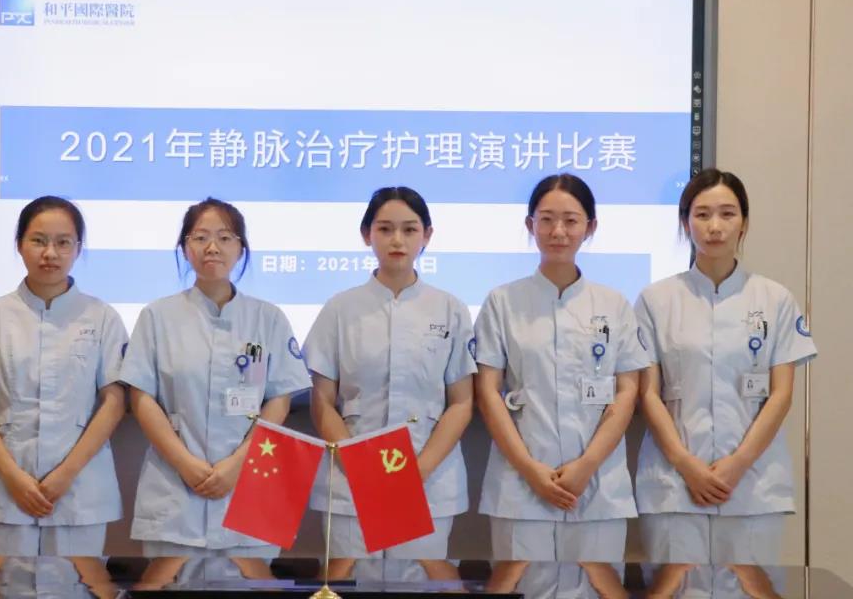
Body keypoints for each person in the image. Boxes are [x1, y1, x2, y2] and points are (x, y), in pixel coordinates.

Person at [635, 168, 817, 564]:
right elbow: (648, 393)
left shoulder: (775, 299)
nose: (714, 226)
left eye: (727, 214)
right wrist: (686, 464)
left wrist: (738, 464)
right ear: (685, 223)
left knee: (750, 588)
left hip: (753, 486)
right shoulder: (656, 300)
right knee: (676, 589)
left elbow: (781, 395)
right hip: (674, 484)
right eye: (702, 215)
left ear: (744, 223)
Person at [119, 198, 311, 559]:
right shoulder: (157, 316)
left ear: (241, 248)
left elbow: (279, 398)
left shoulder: (268, 318)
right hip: (174, 491)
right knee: (172, 583)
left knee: (251, 583)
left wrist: (237, 465)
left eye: (225, 237)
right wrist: (185, 464)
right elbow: (141, 397)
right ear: (185, 248)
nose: (212, 247)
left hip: (251, 484)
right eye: (200, 237)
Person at [474, 173, 647, 563]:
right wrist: (529, 469)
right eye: (547, 220)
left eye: (571, 221)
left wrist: (587, 465)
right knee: (521, 586)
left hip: (597, 486)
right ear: (530, 224)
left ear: (590, 227)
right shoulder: (503, 302)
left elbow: (627, 391)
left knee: (596, 585)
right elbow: (487, 392)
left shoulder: (614, 304)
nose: (558, 232)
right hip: (520, 486)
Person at [307, 187, 475, 579]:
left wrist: (416, 473)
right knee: (351, 583)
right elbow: (322, 401)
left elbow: (461, 402)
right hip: (353, 482)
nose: (397, 240)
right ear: (366, 234)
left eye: (409, 229)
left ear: (427, 235)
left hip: (428, 480)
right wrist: (360, 467)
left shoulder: (450, 309)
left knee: (420, 584)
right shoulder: (340, 308)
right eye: (385, 229)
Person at [0, 196, 127, 555]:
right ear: (19, 244)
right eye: (38, 240)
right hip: (4, 490)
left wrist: (65, 475)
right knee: (3, 583)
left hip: (80, 491)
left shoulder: (102, 317)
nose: (50, 253)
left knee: (77, 583)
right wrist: (13, 477)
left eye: (63, 242)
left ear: (78, 248)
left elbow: (114, 402)